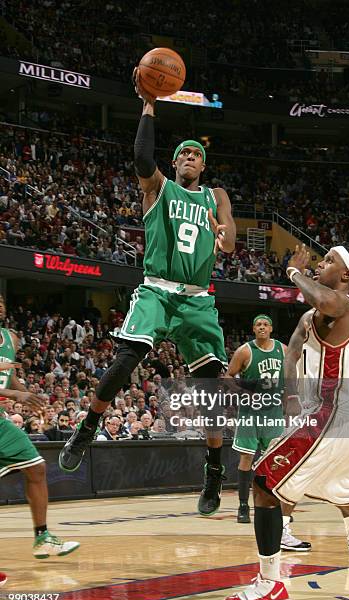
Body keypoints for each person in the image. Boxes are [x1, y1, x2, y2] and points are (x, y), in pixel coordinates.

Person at [59, 67, 236, 517]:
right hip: (157, 289)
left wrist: (222, 230)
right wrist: (149, 105)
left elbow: (230, 241)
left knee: (211, 388)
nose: (191, 158)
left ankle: (214, 470)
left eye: (196, 154)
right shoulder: (159, 188)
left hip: (197, 298)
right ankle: (88, 426)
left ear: (204, 164)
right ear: (175, 163)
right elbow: (141, 159)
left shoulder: (214, 197)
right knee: (126, 358)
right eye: (184, 155)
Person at [224, 245, 349, 600]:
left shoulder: (343, 303)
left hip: (332, 414)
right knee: (348, 498)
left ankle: (270, 585)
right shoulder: (313, 317)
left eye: (329, 261)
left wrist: (294, 273)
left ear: (345, 276)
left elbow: (324, 302)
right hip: (346, 419)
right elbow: (292, 353)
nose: (320, 264)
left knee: (263, 483)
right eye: (320, 259)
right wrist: (291, 400)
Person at [0, 294, 79, 570]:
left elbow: (7, 375)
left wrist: (28, 397)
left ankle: (42, 537)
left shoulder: (10, 338)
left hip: (0, 421)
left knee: (36, 469)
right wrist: (13, 395)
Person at [227, 314, 311, 552]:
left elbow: (289, 378)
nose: (262, 327)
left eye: (265, 324)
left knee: (272, 461)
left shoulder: (283, 350)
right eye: (258, 325)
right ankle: (244, 505)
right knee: (246, 458)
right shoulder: (245, 351)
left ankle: (271, 505)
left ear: (271, 328)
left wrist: (290, 400)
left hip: (274, 413)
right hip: (250, 413)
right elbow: (228, 376)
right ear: (253, 329)